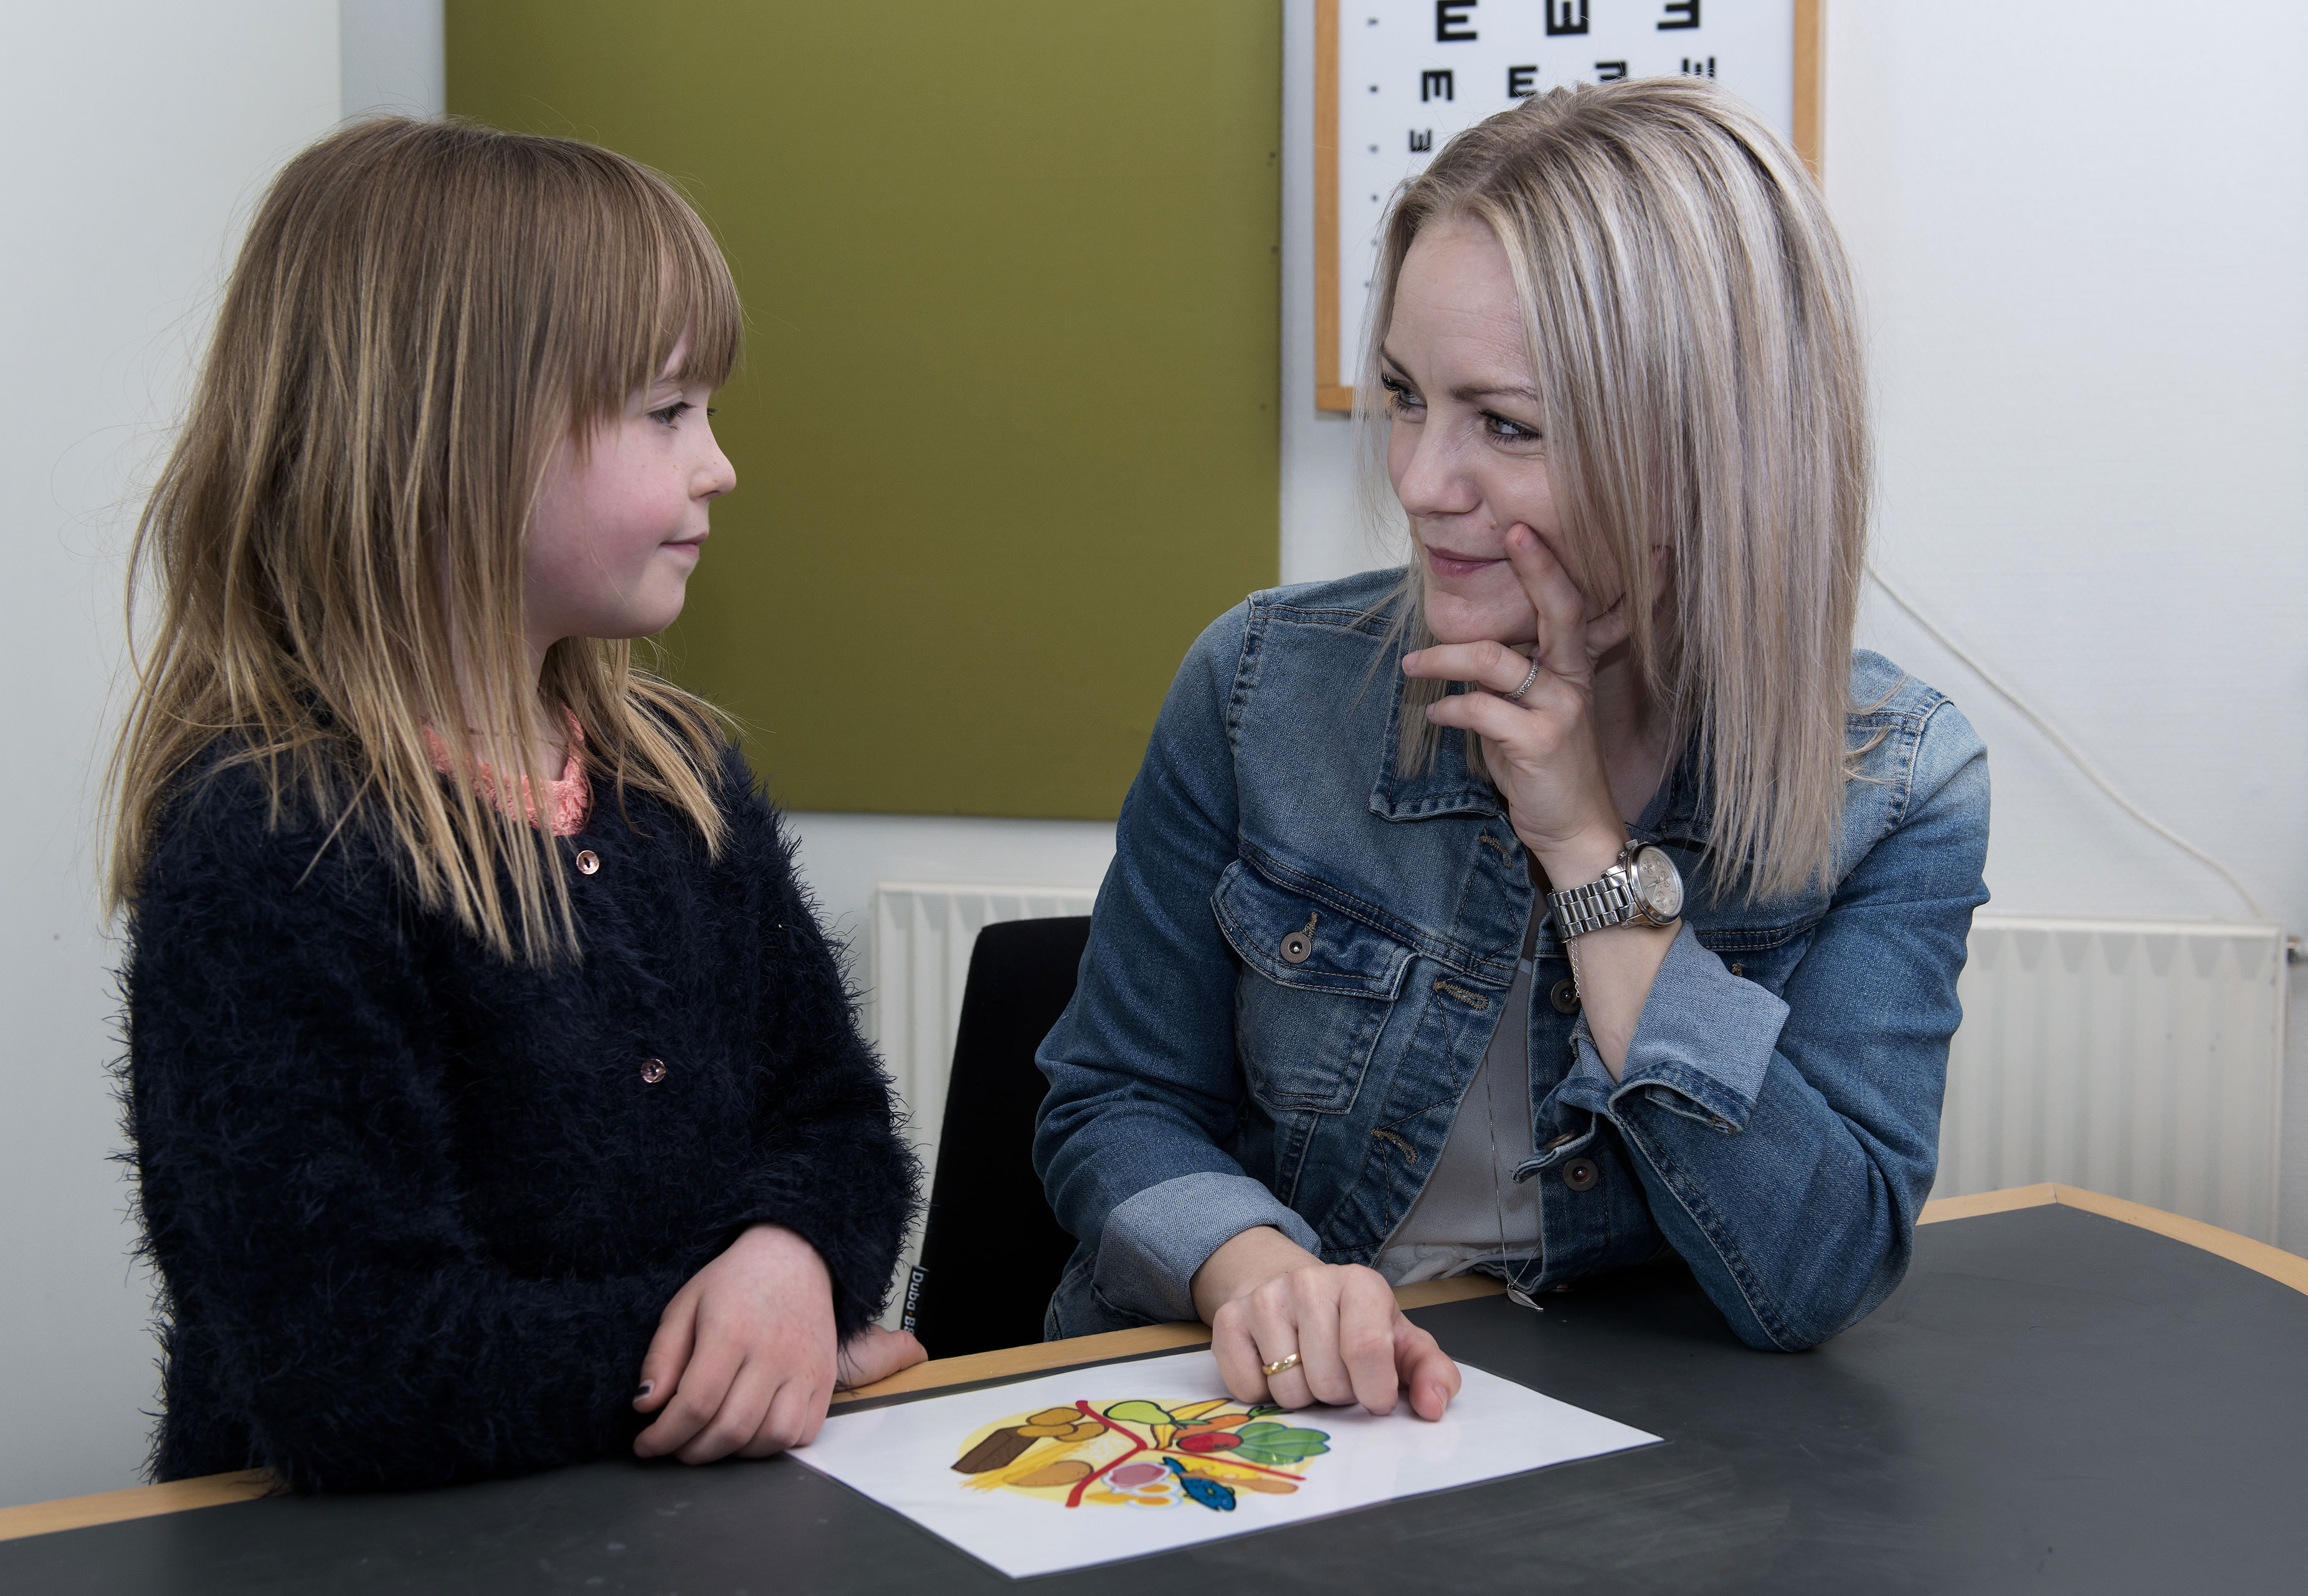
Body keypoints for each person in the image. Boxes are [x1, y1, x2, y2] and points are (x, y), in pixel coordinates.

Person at [1033, 78, 1990, 1422]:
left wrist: (1588, 852)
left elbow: (1816, 1270)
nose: (1421, 482)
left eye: (1507, 424)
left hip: (1627, 1457)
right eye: (1409, 398)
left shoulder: (1898, 783)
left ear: (1704, 453)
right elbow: (1110, 1103)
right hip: (1275, 1424)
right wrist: (1258, 1271)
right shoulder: (1258, 687)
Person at [108, 118, 924, 1493]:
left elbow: (837, 1127)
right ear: (459, 435)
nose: (717, 462)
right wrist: (727, 1354)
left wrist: (788, 1266)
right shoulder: (270, 847)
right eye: (668, 413)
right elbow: (359, 1370)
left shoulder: (679, 780)